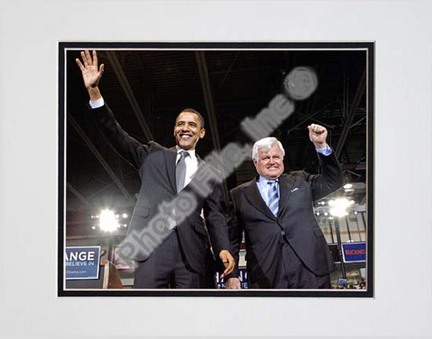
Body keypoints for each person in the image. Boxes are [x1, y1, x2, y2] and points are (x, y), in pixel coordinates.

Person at [75, 50, 234, 288]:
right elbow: (115, 134)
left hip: (193, 252)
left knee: (192, 317)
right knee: (145, 314)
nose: (185, 128)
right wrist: (94, 92)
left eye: (192, 124)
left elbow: (215, 215)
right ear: (174, 130)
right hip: (151, 246)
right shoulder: (152, 154)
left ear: (201, 133)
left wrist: (223, 248)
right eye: (180, 123)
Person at [225, 125, 343, 289]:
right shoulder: (239, 194)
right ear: (255, 162)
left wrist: (321, 145)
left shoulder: (301, 180)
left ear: (282, 159)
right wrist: (232, 275)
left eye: (276, 157)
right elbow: (232, 241)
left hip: (310, 266)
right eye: (266, 158)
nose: (272, 161)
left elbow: (333, 181)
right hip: (266, 273)